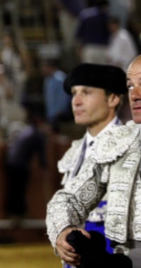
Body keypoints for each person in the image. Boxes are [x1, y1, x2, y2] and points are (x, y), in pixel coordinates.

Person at [46, 54, 141, 266]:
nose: (135, 95)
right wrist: (63, 230)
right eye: (131, 86)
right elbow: (66, 199)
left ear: (114, 99)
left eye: (86, 93)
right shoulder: (118, 144)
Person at [42, 58, 72, 132]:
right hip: (50, 114)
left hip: (59, 114)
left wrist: (60, 111)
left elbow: (64, 97)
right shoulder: (47, 79)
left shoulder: (60, 78)